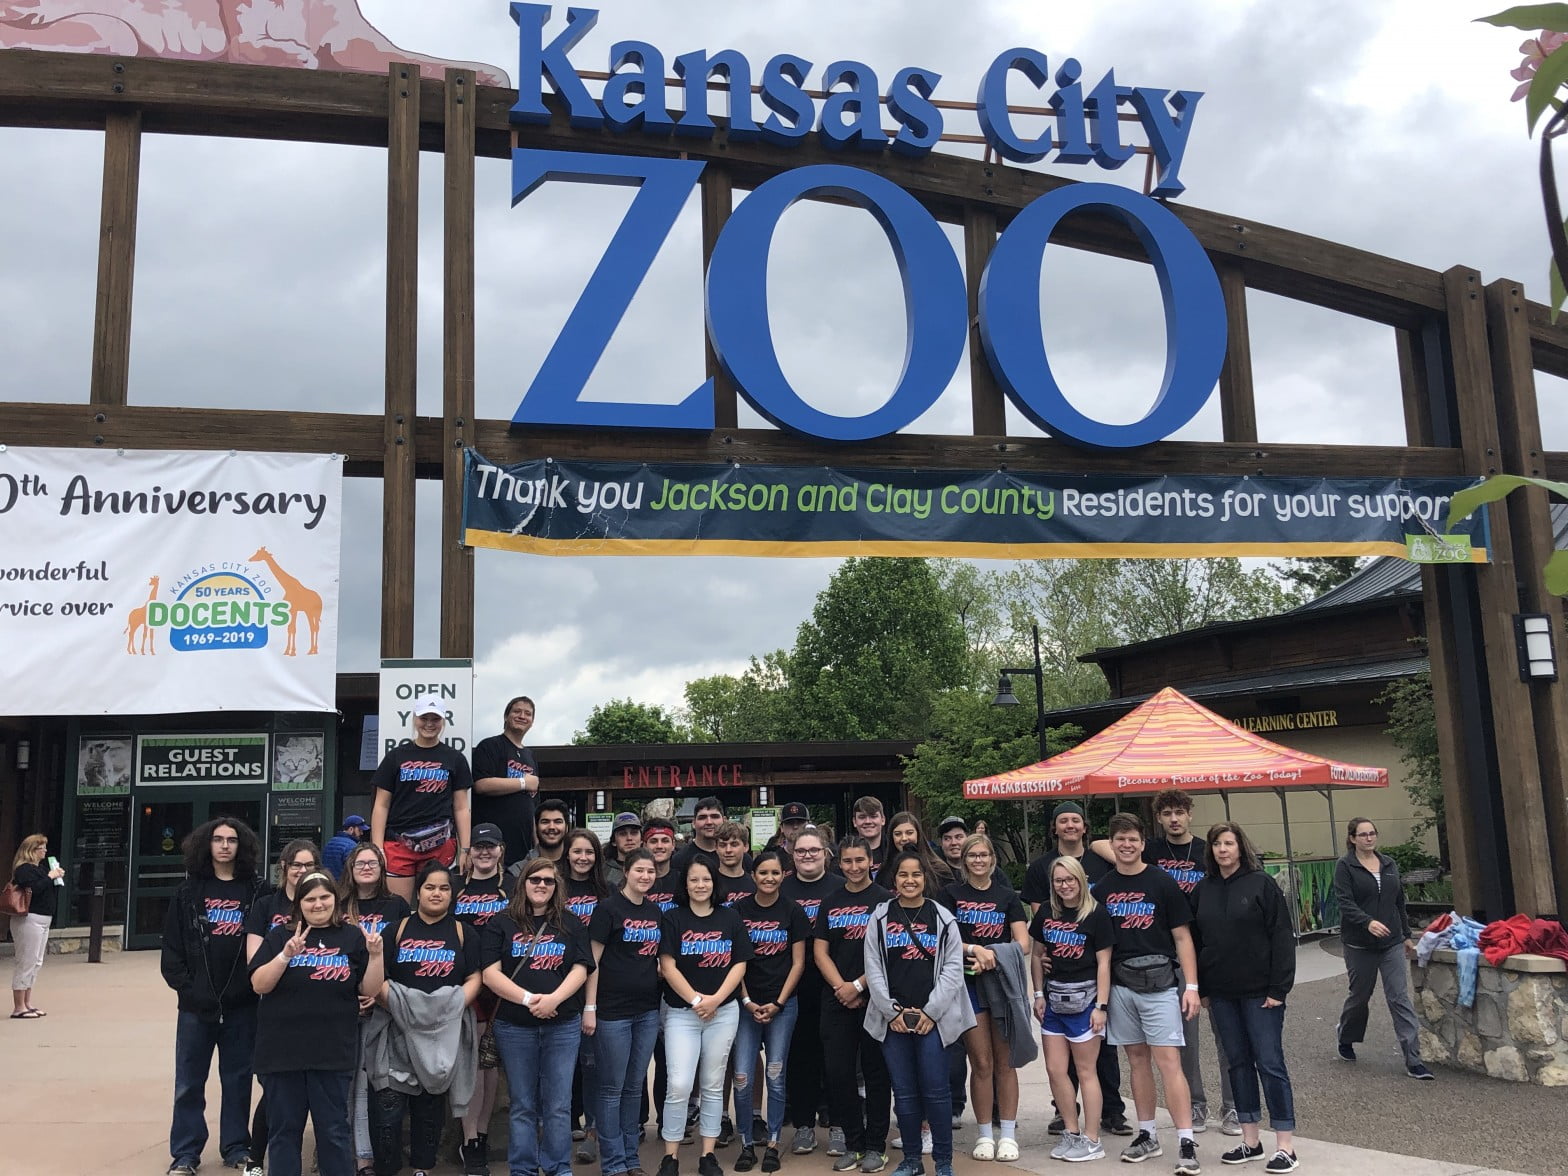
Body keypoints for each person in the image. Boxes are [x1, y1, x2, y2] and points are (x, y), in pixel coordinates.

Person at [1093, 789, 1235, 1135]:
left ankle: (1234, 1106)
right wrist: (1124, 855)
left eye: (1179, 812)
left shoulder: (1206, 850)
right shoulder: (1152, 850)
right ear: (1157, 820)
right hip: (1166, 954)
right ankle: (1196, 1105)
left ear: (1190, 814)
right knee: (1182, 1039)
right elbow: (1099, 842)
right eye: (1167, 813)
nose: (1174, 819)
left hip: (1209, 948)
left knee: (1227, 1034)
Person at [249, 870, 384, 1176]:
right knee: (284, 1132)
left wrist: (376, 955)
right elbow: (259, 984)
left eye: (325, 897)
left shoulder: (351, 937)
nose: (318, 904)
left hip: (332, 1052)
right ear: (299, 904)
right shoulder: (281, 936)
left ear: (335, 901)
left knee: (334, 1133)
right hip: (282, 1053)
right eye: (310, 899)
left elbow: (370, 990)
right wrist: (285, 955)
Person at [1092, 813, 1201, 1175]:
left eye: (1133, 839)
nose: (1126, 845)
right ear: (1112, 843)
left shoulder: (1162, 882)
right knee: (1136, 1061)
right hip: (1122, 986)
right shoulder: (1102, 889)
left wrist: (1191, 986)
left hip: (1160, 985)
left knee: (1169, 1062)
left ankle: (1186, 1139)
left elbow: (1182, 936)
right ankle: (1147, 1133)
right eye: (1120, 839)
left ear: (1142, 842)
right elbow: (1092, 943)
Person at [160, 818, 269, 1176]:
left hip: (241, 1005)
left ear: (243, 846)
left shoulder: (257, 891)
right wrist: (189, 989)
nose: (225, 846)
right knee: (189, 1083)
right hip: (196, 1008)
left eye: (232, 840)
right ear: (206, 845)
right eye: (218, 839)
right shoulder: (189, 892)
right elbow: (173, 951)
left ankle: (236, 1146)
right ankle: (186, 1154)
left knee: (238, 1080)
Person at [1191, 824, 1299, 1173]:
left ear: (1240, 848)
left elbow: (1282, 937)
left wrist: (1278, 990)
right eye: (1217, 844)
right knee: (1237, 1063)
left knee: (1270, 1064)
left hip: (1261, 994)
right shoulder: (1202, 889)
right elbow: (1196, 941)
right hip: (1222, 994)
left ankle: (1286, 1146)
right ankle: (1250, 1140)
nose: (1223, 850)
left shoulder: (1261, 884)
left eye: (1229, 843)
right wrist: (1203, 989)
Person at [862, 850, 975, 1176]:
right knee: (905, 1093)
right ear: (894, 880)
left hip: (934, 1021)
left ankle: (943, 1161)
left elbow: (953, 970)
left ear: (925, 878)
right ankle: (911, 1160)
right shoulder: (880, 918)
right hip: (893, 1019)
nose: (909, 881)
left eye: (915, 875)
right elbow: (873, 967)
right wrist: (891, 1011)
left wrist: (931, 1012)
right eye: (903, 875)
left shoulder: (942, 918)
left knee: (937, 1092)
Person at [1019, 801, 1127, 1139]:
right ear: (1054, 827)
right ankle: (1065, 1113)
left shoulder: (1101, 860)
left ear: (1084, 826)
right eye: (1062, 820)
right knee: (1061, 1060)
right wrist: (1046, 955)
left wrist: (1102, 848)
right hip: (1059, 970)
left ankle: (1112, 1111)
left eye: (1075, 820)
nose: (1069, 825)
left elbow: (1129, 858)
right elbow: (1042, 918)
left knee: (1103, 1052)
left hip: (1095, 968)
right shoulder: (1041, 867)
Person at [368, 861, 482, 1176]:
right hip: (397, 1030)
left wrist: (451, 1006)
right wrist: (404, 1008)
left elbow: (475, 977)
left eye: (444, 888)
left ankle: (423, 1168)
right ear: (418, 892)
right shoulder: (397, 929)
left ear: (452, 894)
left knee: (430, 1110)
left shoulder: (463, 933)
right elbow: (378, 977)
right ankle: (387, 1169)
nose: (436, 893)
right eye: (430, 887)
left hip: (443, 1035)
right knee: (388, 1113)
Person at [486, 857, 594, 1176]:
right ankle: (523, 1169)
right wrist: (530, 999)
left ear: (557, 887)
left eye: (549, 881)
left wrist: (555, 999)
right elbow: (490, 974)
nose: (542, 886)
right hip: (514, 1026)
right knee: (522, 1105)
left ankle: (558, 1167)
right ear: (523, 884)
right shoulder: (501, 922)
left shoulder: (571, 923)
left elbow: (582, 967)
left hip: (563, 1024)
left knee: (558, 1105)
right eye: (535, 880)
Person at [656, 857, 752, 1176]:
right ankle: (670, 1157)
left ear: (715, 883)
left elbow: (740, 963)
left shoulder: (730, 916)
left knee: (712, 1083)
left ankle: (707, 1156)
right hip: (682, 1012)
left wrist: (716, 1000)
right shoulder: (673, 918)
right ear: (685, 884)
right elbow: (667, 966)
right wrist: (698, 1000)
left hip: (723, 1012)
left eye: (706, 879)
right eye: (694, 880)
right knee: (679, 1083)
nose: (701, 885)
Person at [938, 834, 1030, 1163]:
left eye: (984, 854)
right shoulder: (950, 894)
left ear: (993, 859)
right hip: (967, 987)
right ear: (963, 860)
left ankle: (1007, 1133)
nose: (978, 860)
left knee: (1005, 1063)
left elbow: (1023, 944)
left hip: (1002, 986)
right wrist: (973, 949)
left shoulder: (1007, 897)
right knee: (981, 1062)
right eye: (972, 855)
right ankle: (984, 1134)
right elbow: (943, 938)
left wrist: (990, 954)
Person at [814, 837, 893, 1175]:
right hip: (836, 999)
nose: (854, 867)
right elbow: (820, 951)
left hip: (875, 1000)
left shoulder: (886, 901)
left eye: (860, 860)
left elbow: (890, 954)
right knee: (838, 1074)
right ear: (839, 863)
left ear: (871, 860)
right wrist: (841, 987)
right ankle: (853, 1143)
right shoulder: (830, 901)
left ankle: (876, 1146)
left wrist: (859, 985)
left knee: (876, 1074)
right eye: (847, 861)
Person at [1029, 855, 1114, 1165]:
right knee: (1055, 1069)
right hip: (1053, 1000)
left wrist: (1101, 1007)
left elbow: (1104, 963)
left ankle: (1092, 1139)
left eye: (1070, 879)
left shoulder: (1096, 915)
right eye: (1059, 880)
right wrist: (1038, 993)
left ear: (1080, 879)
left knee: (1086, 1070)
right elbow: (1037, 954)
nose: (1065, 885)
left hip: (1086, 1000)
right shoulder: (1047, 914)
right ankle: (1071, 1130)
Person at [245, 839, 323, 1172]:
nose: (302, 871)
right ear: (285, 869)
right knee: (274, 1090)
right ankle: (254, 1157)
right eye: (296, 865)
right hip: (274, 1007)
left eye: (309, 865)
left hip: (317, 1010)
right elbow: (254, 961)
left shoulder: (325, 903)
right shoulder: (266, 905)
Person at [1333, 817, 1432, 1080]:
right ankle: (1346, 1035)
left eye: (1372, 833)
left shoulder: (1388, 864)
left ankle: (1413, 1059)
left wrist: (1406, 935)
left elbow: (1398, 901)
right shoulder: (1345, 866)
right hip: (1359, 944)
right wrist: (1367, 923)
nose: (1368, 838)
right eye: (1363, 834)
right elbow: (1344, 902)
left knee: (1399, 997)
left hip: (1390, 942)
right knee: (1359, 997)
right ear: (1352, 838)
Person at [732, 850, 811, 1173]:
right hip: (745, 1004)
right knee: (742, 1076)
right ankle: (746, 1143)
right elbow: (734, 961)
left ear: (783, 875)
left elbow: (798, 963)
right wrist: (748, 1000)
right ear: (753, 876)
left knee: (776, 1075)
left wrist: (778, 1002)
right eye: (763, 873)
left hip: (782, 1005)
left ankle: (774, 1143)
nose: (769, 878)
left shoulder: (792, 911)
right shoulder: (738, 911)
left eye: (775, 873)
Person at [587, 848, 665, 1176]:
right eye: (639, 871)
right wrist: (589, 1007)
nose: (645, 876)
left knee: (635, 1086)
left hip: (647, 1010)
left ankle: (631, 1158)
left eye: (650, 872)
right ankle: (613, 1162)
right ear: (626, 871)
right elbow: (591, 963)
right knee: (611, 1088)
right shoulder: (607, 909)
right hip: (611, 1012)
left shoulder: (655, 911)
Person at [340, 842, 409, 1176]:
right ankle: (344, 1154)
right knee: (345, 1080)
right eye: (360, 862)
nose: (367, 867)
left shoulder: (396, 906)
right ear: (350, 869)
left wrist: (377, 992)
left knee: (371, 1079)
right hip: (341, 1003)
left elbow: (403, 955)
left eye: (373, 862)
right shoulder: (338, 904)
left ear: (382, 869)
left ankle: (366, 1158)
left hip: (381, 1004)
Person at [370, 695, 474, 904]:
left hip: (440, 843)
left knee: (439, 906)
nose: (429, 724)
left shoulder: (455, 758)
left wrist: (465, 849)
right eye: (423, 717)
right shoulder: (396, 756)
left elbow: (462, 808)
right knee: (397, 908)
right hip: (398, 843)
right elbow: (381, 805)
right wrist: (377, 848)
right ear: (414, 719)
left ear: (443, 721)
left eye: (435, 719)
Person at [781, 826, 840, 1156]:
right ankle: (803, 1124)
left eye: (813, 850)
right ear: (792, 854)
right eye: (801, 850)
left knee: (836, 1058)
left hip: (834, 985)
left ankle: (837, 1123)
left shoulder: (840, 888)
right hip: (793, 986)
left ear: (825, 853)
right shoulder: (783, 888)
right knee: (800, 1057)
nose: (807, 856)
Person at [455, 824, 510, 1175]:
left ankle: (483, 1134)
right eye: (478, 846)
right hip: (468, 980)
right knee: (472, 1063)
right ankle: (469, 1139)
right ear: (469, 851)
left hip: (504, 982)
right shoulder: (456, 886)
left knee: (491, 1066)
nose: (484, 852)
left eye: (490, 846)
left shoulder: (513, 888)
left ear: (501, 850)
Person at [564, 830, 610, 1162]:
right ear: (567, 854)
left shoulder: (605, 891)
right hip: (560, 982)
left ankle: (593, 1131)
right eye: (577, 851)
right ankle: (565, 1124)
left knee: (593, 1063)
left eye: (589, 852)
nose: (583, 857)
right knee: (565, 1065)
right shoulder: (554, 887)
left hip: (599, 984)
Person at [471, 695, 542, 862]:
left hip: (524, 848)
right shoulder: (490, 746)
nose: (522, 716)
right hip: (491, 845)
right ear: (506, 716)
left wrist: (537, 843)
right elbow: (481, 784)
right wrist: (523, 782)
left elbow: (533, 807)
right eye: (517, 711)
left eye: (528, 713)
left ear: (532, 722)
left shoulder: (530, 756)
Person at [8, 833, 63, 1021]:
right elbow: (34, 888)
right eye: (42, 848)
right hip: (29, 918)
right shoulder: (23, 869)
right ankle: (18, 1006)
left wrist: (55, 877)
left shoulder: (39, 868)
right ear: (32, 850)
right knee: (26, 961)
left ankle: (27, 1002)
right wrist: (50, 876)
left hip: (44, 918)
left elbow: (46, 887)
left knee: (36, 962)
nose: (45, 851)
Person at [876, 814, 950, 896]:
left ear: (918, 834)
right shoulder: (884, 871)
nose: (904, 838)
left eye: (909, 833)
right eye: (898, 834)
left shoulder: (939, 869)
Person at [673, 796, 727, 873]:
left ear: (724, 820)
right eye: (702, 817)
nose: (709, 822)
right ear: (694, 823)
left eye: (714, 816)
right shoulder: (679, 860)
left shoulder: (737, 857)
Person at [713, 821, 757, 908]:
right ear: (716, 848)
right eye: (722, 845)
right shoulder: (709, 883)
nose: (728, 850)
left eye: (734, 844)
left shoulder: (756, 883)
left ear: (746, 847)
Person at [604, 813, 643, 887]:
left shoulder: (651, 867)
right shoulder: (603, 871)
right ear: (614, 841)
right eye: (623, 834)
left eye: (634, 833)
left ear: (641, 840)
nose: (629, 838)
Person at [851, 798, 889, 870]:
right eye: (862, 817)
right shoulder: (845, 855)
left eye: (873, 816)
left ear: (883, 820)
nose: (868, 821)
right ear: (854, 822)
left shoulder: (895, 852)